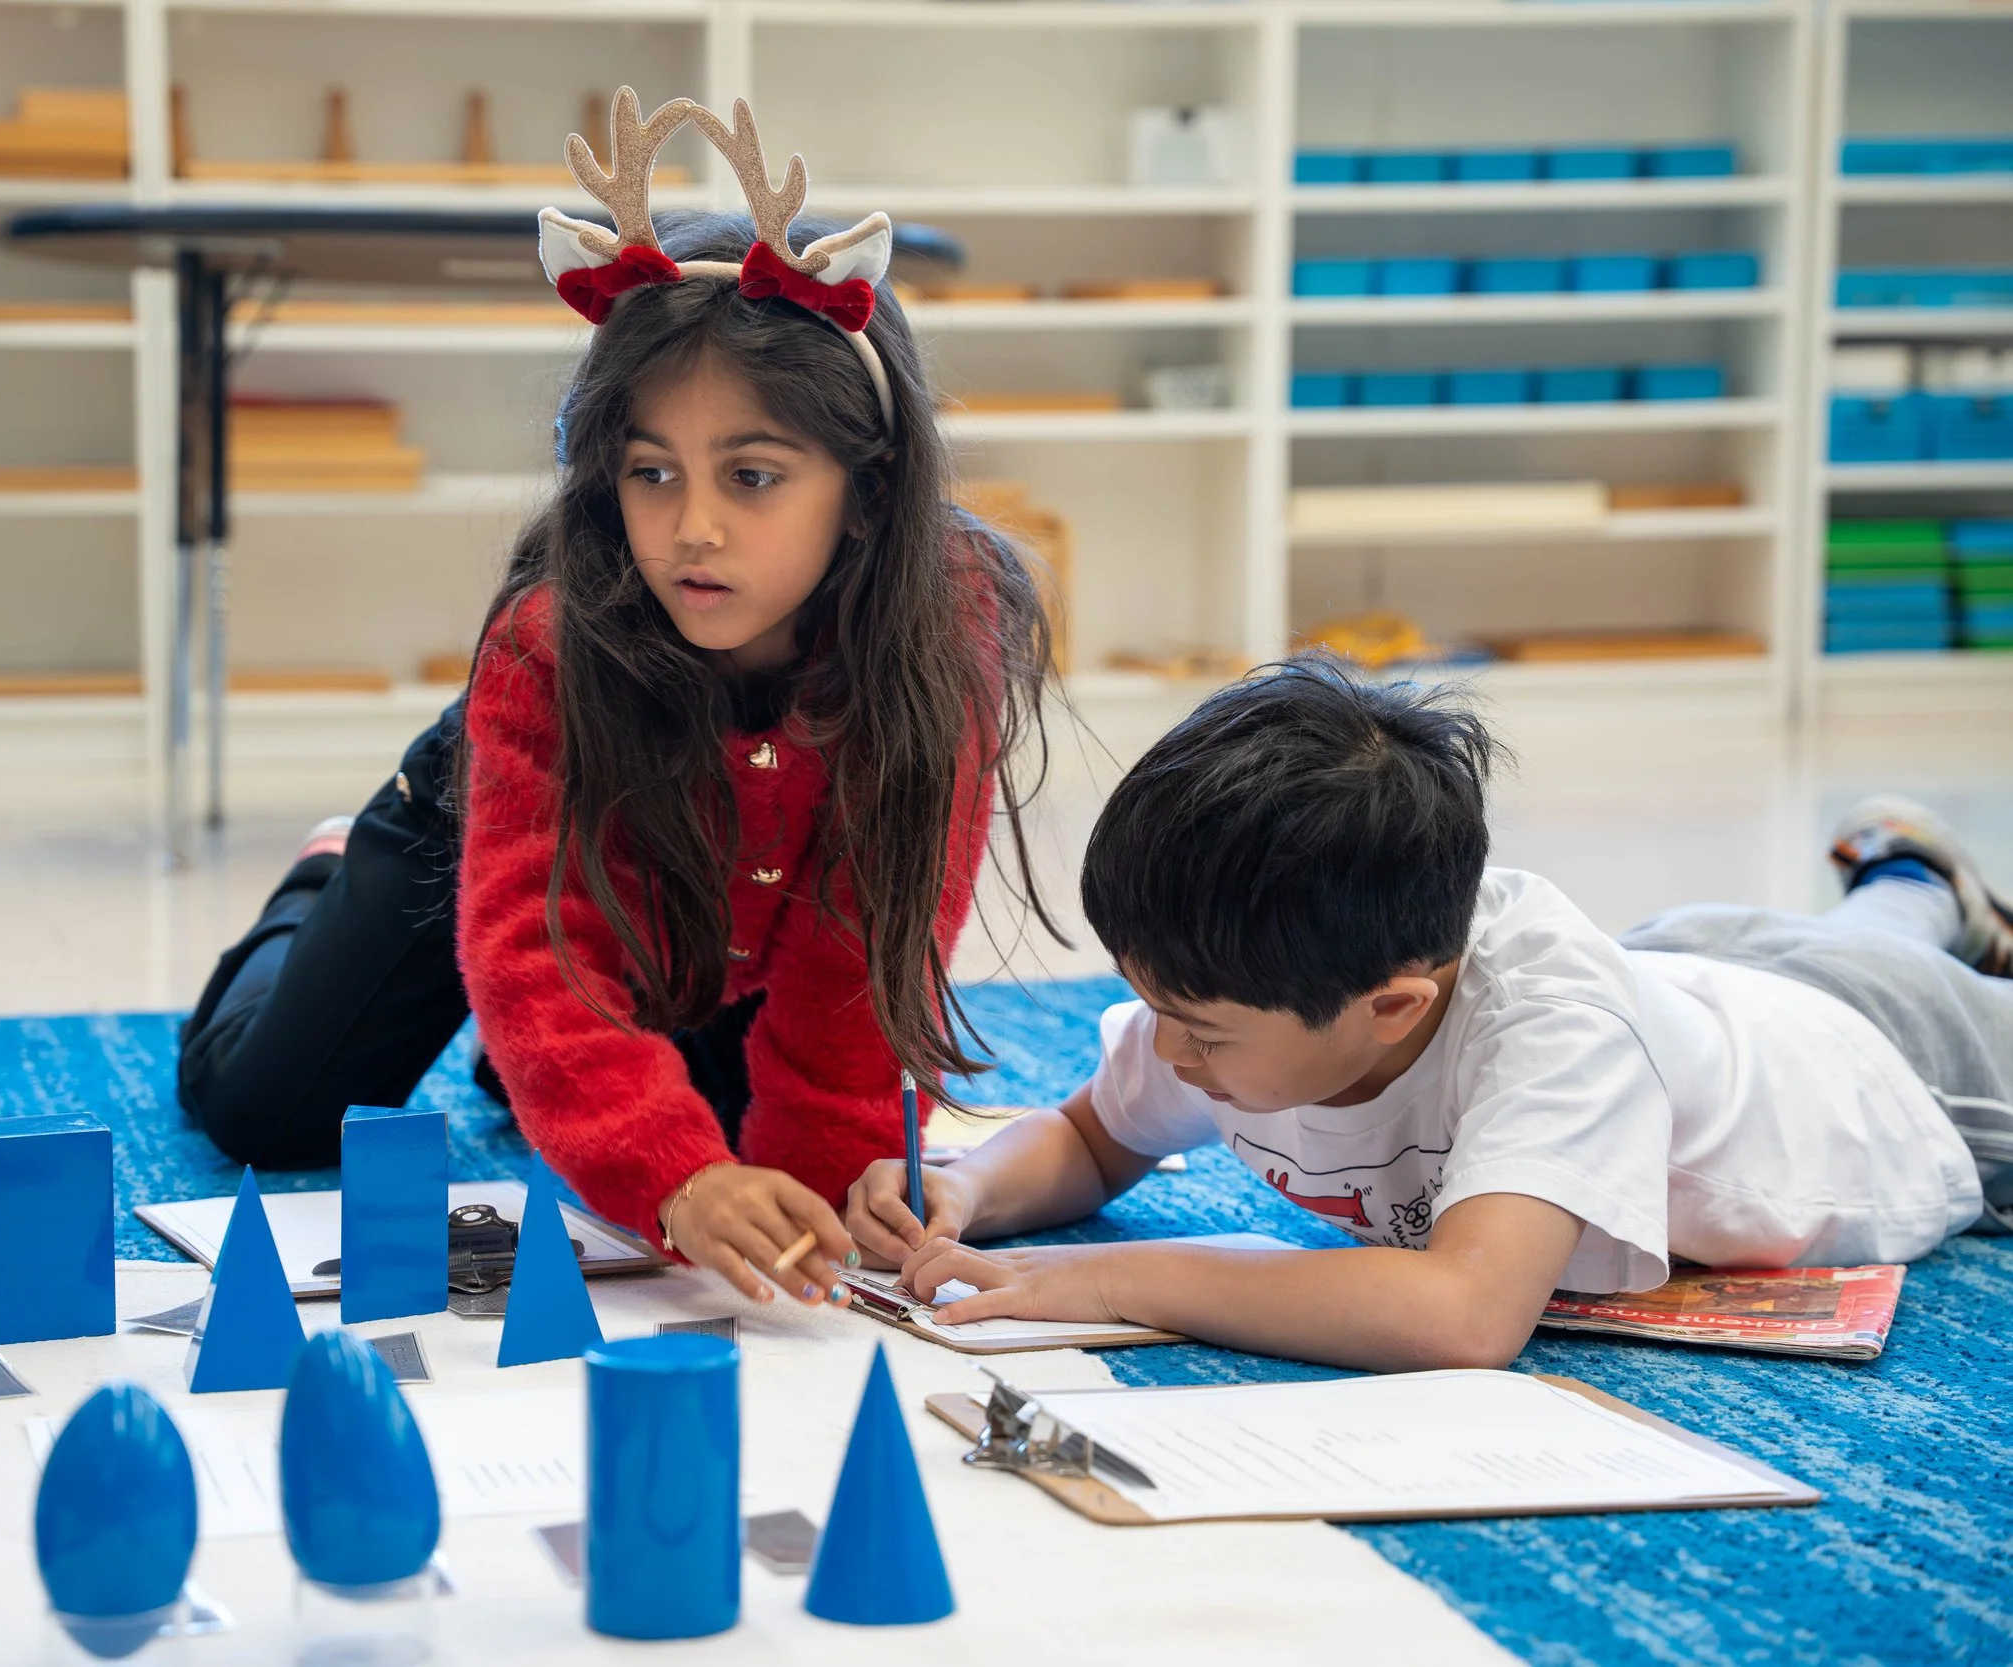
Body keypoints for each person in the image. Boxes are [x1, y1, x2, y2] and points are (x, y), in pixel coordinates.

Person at [178, 92, 1058, 1313]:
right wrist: (673, 1173)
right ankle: (325, 875)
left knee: (735, 1130)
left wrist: (796, 1193)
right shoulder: (548, 640)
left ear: (867, 487)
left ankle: (526, 1062)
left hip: (700, 902)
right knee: (264, 1113)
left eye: (751, 476)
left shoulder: (947, 624)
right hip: (483, 831)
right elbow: (536, 947)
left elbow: (868, 944)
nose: (691, 526)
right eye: (651, 472)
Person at [846, 657, 2012, 1373]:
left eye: (1196, 1025)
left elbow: (1464, 1312)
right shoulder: (1241, 999)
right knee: (1845, 932)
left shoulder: (1556, 1035)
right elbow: (1096, 1135)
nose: (1165, 1049)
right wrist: (975, 1187)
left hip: (1879, 1056)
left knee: (1872, 955)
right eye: (1152, 1005)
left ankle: (1910, 889)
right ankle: (1910, 881)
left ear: (1390, 1004)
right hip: (1684, 970)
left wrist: (1111, 1279)